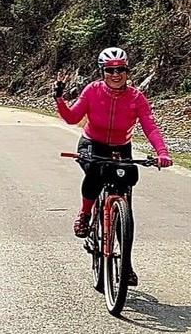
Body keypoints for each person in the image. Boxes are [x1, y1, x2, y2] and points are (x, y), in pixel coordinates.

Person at [56, 47, 172, 285]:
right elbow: (71, 118)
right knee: (96, 173)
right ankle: (85, 214)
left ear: (127, 71)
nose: (116, 74)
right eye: (110, 70)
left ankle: (126, 266)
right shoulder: (92, 91)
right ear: (103, 72)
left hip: (121, 147)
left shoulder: (136, 97)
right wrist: (59, 99)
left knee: (125, 204)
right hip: (93, 144)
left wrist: (162, 152)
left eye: (120, 69)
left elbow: (150, 126)